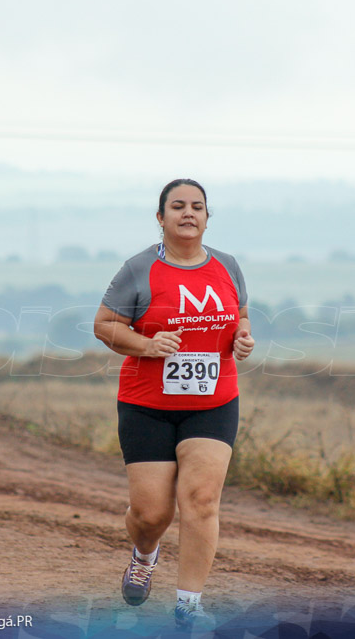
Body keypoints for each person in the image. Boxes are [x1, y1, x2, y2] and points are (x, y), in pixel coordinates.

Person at [93, 179, 254, 631]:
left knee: (201, 500)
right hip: (147, 404)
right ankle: (145, 554)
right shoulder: (138, 269)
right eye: (177, 206)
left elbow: (239, 316)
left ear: (207, 217)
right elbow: (104, 325)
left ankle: (189, 605)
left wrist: (242, 338)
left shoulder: (228, 266)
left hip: (213, 400)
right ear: (160, 217)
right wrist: (146, 344)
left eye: (197, 207)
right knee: (152, 514)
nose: (188, 213)